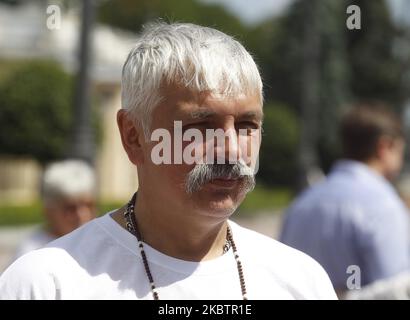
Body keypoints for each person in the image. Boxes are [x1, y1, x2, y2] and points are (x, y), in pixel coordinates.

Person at [0, 22, 336, 300]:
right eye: (201, 126)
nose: (232, 150)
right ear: (133, 136)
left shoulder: (301, 282)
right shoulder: (46, 284)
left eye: (247, 125)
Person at [280, 103, 410, 295]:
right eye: (401, 150)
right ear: (384, 147)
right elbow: (396, 292)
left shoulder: (302, 203)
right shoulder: (383, 204)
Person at [12, 159, 96, 261]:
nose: (83, 215)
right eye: (70, 208)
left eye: (89, 205)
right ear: (48, 211)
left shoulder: (99, 242)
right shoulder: (31, 254)